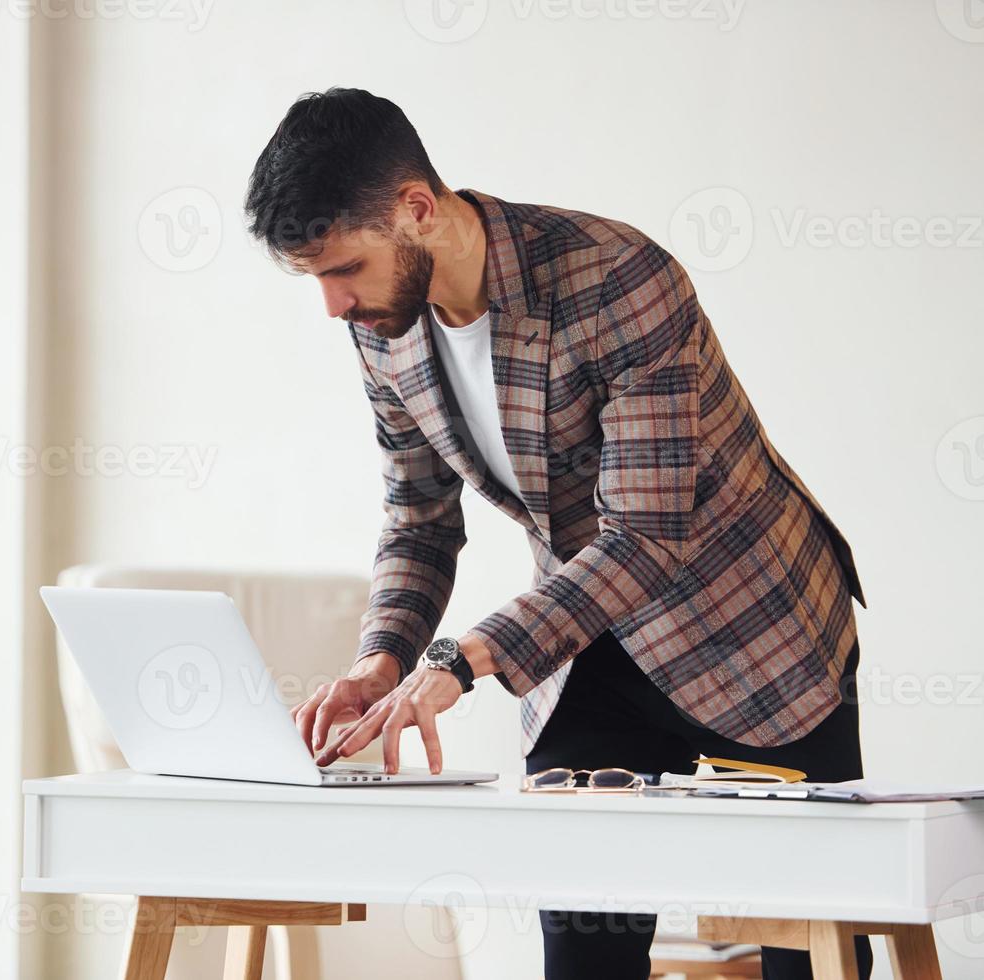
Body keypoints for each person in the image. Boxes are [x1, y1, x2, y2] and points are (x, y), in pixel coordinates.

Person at [246, 87, 871, 980]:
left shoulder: (616, 276)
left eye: (342, 268)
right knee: (582, 953)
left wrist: (459, 662)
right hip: (586, 647)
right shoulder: (382, 327)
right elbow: (419, 517)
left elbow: (649, 536)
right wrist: (379, 661)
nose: (332, 305)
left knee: (800, 960)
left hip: (756, 637)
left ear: (417, 210)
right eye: (313, 278)